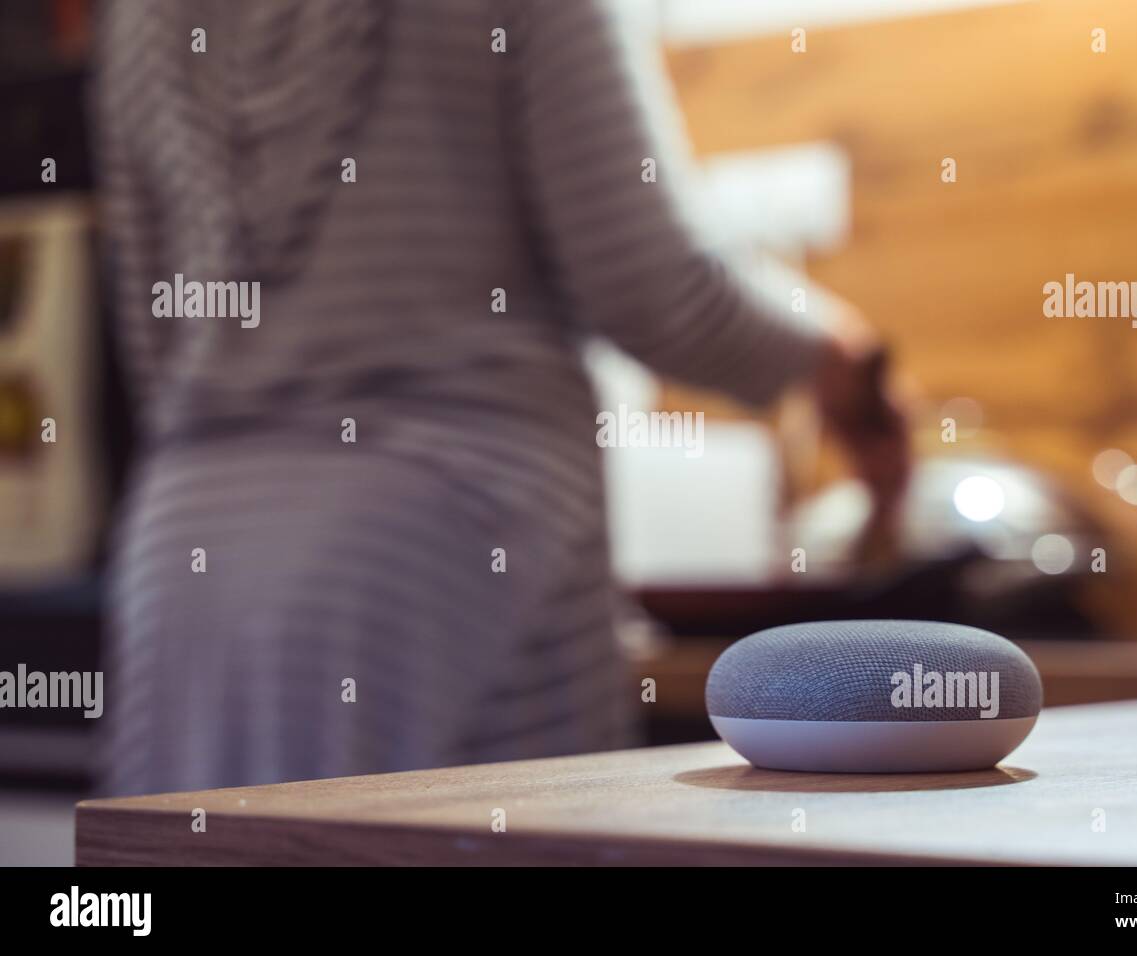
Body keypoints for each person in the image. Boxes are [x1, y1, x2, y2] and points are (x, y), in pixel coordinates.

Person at [93, 0, 908, 795]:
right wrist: (836, 356)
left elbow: (148, 322)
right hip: (440, 554)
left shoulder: (134, 14)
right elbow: (650, 283)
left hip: (184, 568)